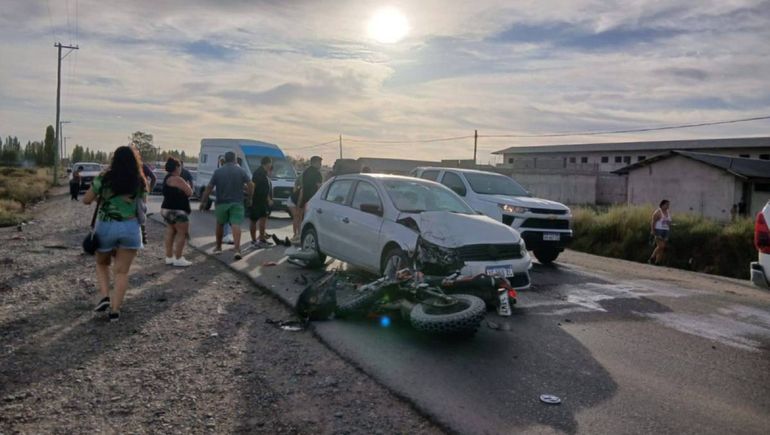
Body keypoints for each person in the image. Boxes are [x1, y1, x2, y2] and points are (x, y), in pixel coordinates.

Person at [82, 146, 148, 322]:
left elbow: (86, 200)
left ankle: (104, 296)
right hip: (130, 227)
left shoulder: (104, 178)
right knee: (122, 272)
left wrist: (101, 198)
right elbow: (143, 204)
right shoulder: (139, 180)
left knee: (102, 263)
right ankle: (115, 311)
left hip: (107, 226)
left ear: (114, 159)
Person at [199, 151, 253, 260]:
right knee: (236, 224)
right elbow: (251, 184)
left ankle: (218, 247)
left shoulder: (218, 171)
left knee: (220, 224)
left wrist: (203, 201)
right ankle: (237, 250)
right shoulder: (241, 171)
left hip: (221, 203)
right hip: (237, 202)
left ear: (225, 159)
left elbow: (209, 187)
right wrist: (250, 197)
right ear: (235, 159)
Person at [161, 157, 193, 267]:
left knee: (171, 231)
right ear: (177, 167)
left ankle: (169, 257)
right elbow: (189, 192)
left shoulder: (167, 178)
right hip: (177, 210)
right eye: (180, 166)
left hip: (166, 209)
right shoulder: (177, 179)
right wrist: (187, 184)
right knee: (182, 233)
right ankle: (178, 258)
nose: (181, 169)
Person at [249, 156, 273, 247]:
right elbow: (256, 187)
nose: (271, 165)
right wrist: (268, 199)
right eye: (270, 163)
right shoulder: (258, 173)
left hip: (263, 202)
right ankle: (254, 240)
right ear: (267, 163)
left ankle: (262, 239)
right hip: (257, 200)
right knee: (254, 220)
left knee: (263, 219)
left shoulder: (265, 173)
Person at [648, 199, 672, 265]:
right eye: (667, 204)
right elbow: (653, 222)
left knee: (663, 247)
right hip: (659, 230)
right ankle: (652, 257)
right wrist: (652, 231)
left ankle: (657, 261)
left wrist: (669, 223)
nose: (668, 206)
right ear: (662, 204)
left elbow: (669, 222)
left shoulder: (668, 212)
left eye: (668, 205)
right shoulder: (658, 212)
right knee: (660, 246)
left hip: (666, 230)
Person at [288, 173, 303, 241]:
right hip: (292, 202)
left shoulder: (302, 187)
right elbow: (299, 199)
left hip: (297, 201)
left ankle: (299, 234)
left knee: (300, 218)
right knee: (296, 217)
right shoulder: (302, 189)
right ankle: (295, 234)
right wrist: (297, 207)